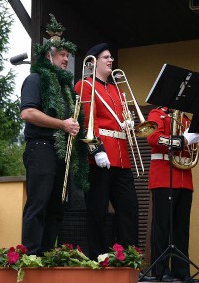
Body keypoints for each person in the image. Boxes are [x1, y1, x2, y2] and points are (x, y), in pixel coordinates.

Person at [20, 14, 88, 256]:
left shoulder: (65, 89)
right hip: (41, 147)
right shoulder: (35, 78)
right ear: (49, 55)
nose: (66, 58)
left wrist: (73, 127)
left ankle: (47, 255)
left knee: (57, 206)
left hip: (61, 151)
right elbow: (28, 113)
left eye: (68, 55)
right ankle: (30, 257)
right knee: (38, 204)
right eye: (61, 54)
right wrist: (62, 124)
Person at [74, 43, 139, 261]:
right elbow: (85, 122)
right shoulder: (84, 86)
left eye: (111, 57)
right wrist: (95, 149)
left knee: (129, 210)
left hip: (122, 158)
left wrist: (129, 123)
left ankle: (129, 260)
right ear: (93, 62)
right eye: (106, 57)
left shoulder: (117, 91)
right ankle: (98, 260)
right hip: (99, 158)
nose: (111, 60)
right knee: (97, 213)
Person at [146, 106, 198, 282]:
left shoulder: (186, 119)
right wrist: (182, 141)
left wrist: (193, 139)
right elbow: (153, 138)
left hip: (185, 178)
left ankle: (181, 270)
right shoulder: (157, 114)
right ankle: (160, 271)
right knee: (162, 227)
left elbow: (192, 146)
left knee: (181, 229)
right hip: (163, 175)